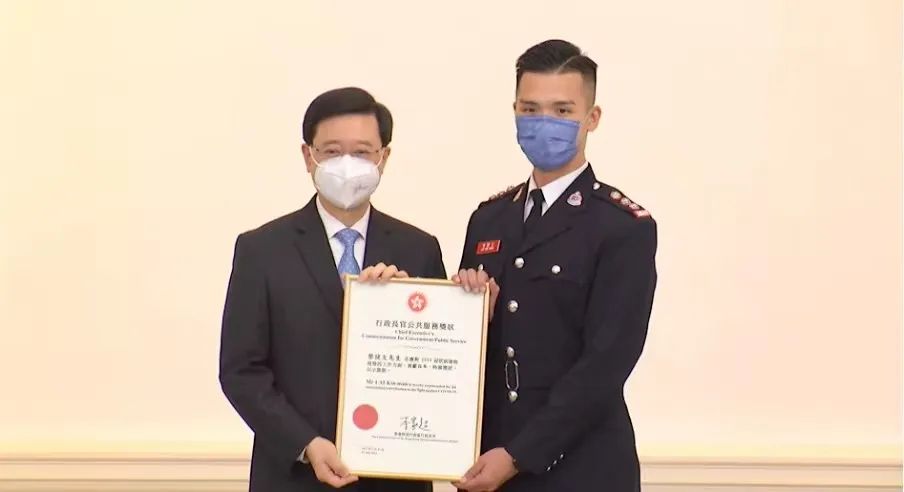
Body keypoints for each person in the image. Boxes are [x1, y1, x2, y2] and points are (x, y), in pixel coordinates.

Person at [452, 40, 658, 491]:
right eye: (530, 109)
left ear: (592, 117)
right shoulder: (489, 219)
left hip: (580, 467)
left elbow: (606, 364)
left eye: (562, 110)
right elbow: (466, 353)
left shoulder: (622, 227)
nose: (544, 122)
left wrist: (519, 456)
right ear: (514, 112)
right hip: (488, 464)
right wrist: (469, 315)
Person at [219, 87, 442, 492]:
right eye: (333, 151)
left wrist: (408, 310)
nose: (347, 164)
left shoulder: (419, 249)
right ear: (309, 157)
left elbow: (439, 363)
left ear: (383, 157)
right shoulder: (261, 250)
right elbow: (241, 371)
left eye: (362, 152)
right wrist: (305, 443)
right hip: (293, 477)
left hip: (395, 480)